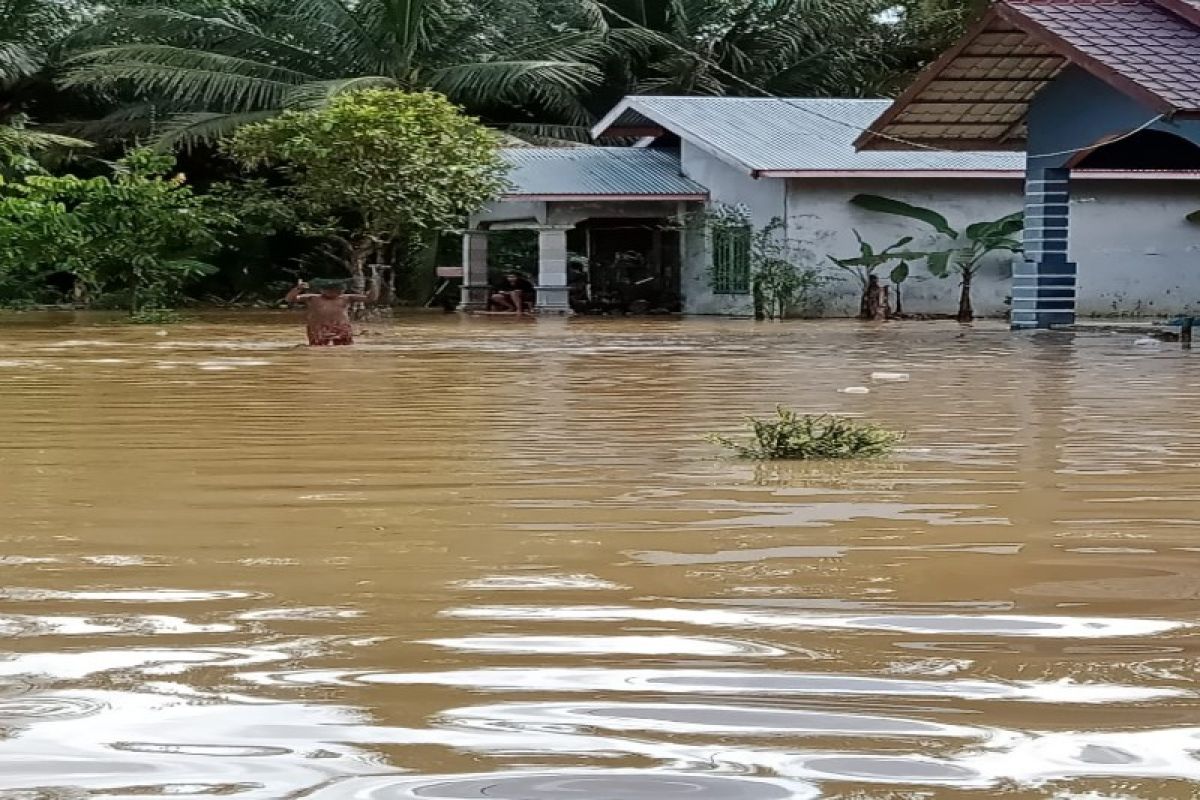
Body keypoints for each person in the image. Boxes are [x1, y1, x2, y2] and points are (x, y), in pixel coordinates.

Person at [285, 277, 372, 346]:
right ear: (322, 290)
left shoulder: (346, 297)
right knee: (317, 348)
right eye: (331, 290)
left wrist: (375, 284)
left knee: (344, 348)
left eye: (337, 290)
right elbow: (289, 299)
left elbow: (370, 298)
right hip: (318, 328)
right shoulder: (312, 297)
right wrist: (298, 289)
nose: (334, 292)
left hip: (341, 327)